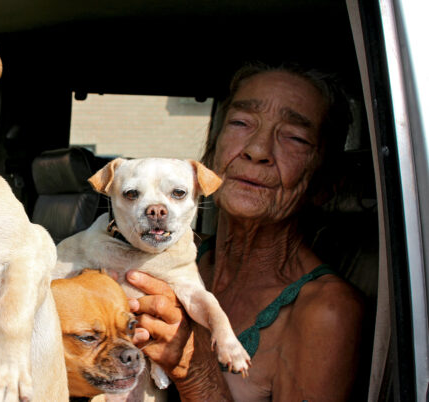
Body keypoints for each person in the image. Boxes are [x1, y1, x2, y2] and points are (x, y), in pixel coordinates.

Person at [126, 63, 364, 401]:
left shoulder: (327, 311)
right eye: (240, 123)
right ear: (210, 154)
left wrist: (194, 368)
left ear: (325, 183)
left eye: (295, 137)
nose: (257, 150)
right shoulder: (172, 259)